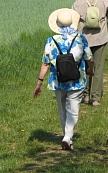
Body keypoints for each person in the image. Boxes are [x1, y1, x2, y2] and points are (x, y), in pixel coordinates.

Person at [33, 8, 94, 150]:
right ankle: (68, 137)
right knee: (73, 109)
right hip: (76, 81)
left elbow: (45, 63)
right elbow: (90, 58)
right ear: (72, 22)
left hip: (57, 80)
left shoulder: (51, 40)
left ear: (57, 24)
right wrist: (91, 70)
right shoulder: (80, 39)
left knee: (62, 109)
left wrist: (39, 83)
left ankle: (66, 136)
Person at [72, 0, 108, 107]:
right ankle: (96, 98)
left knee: (83, 67)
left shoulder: (78, 2)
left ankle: (84, 95)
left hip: (82, 40)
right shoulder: (104, 1)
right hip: (100, 39)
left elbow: (72, 22)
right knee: (98, 68)